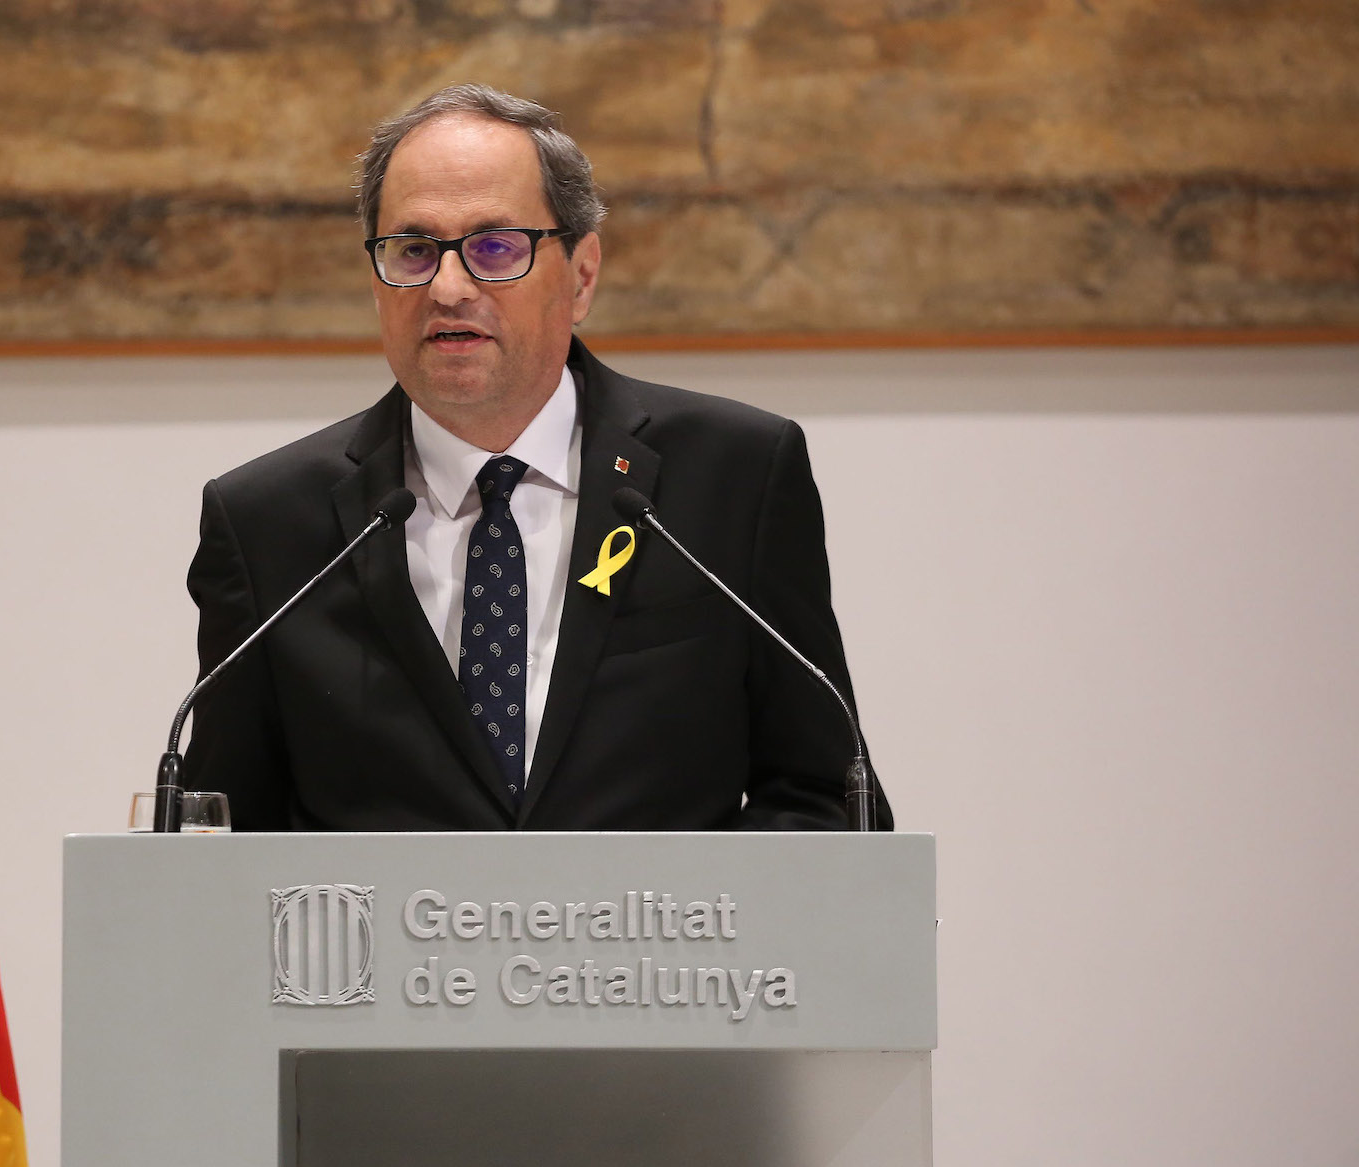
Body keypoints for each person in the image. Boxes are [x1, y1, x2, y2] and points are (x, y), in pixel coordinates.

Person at [183, 84, 892, 832]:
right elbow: (223, 834)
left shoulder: (736, 478)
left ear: (581, 276)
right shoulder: (266, 524)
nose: (448, 287)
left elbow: (826, 799)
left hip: (660, 945)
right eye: (415, 250)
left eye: (494, 247)